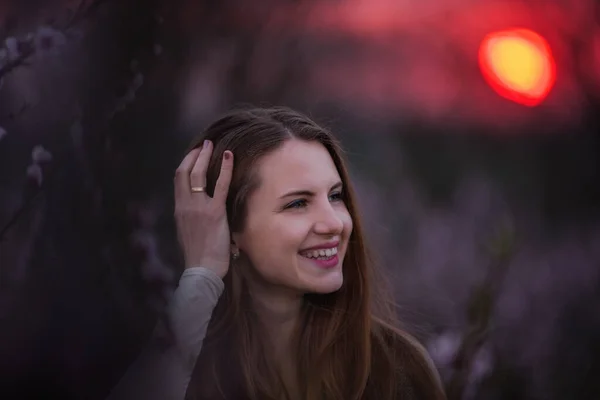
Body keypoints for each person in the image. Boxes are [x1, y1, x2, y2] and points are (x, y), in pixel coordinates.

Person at [107, 106, 446, 400]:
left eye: (335, 196)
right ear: (227, 229)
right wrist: (201, 277)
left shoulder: (397, 371)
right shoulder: (170, 365)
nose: (335, 223)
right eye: (298, 203)